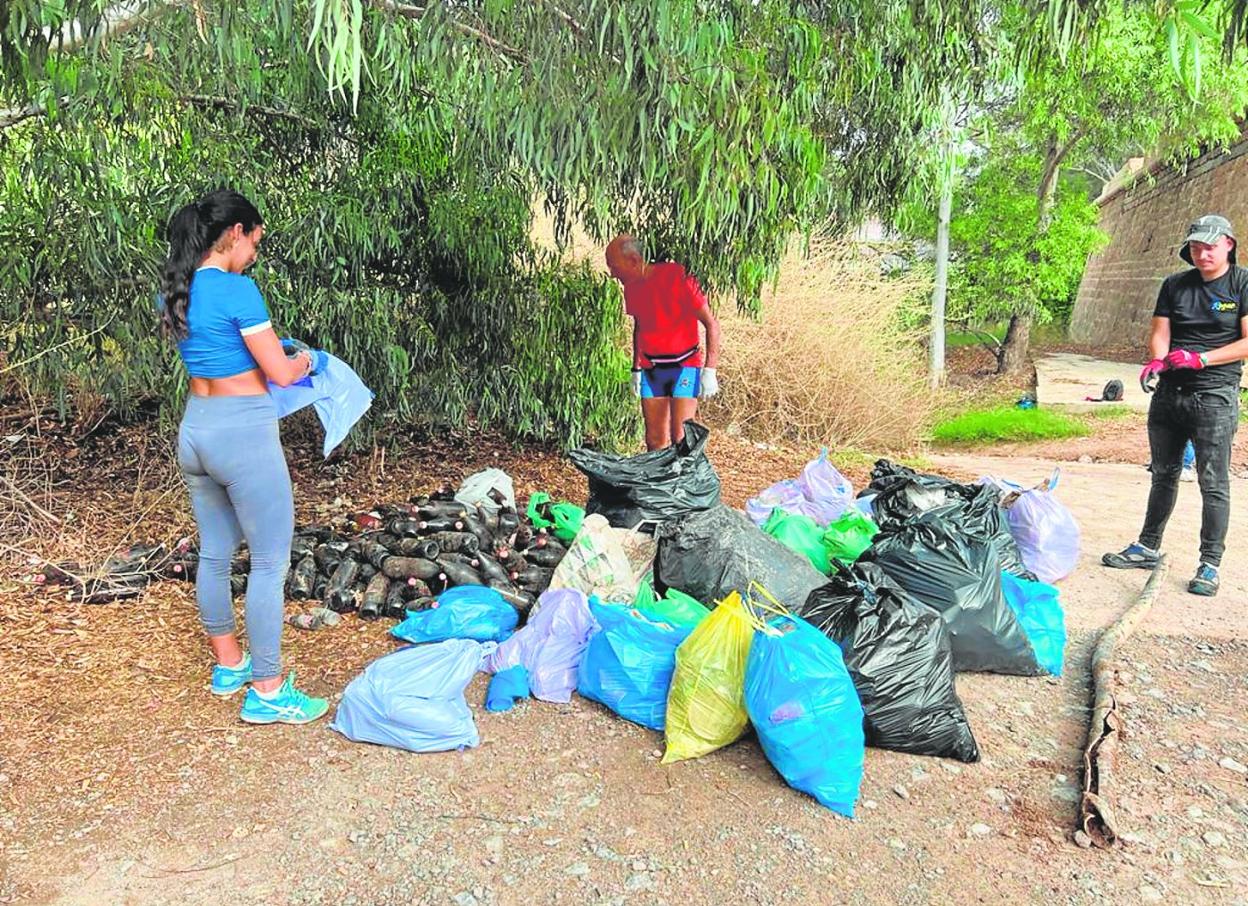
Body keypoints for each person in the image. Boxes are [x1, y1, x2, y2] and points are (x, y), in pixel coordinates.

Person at [158, 189, 330, 723]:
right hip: (243, 437)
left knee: (214, 551)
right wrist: (305, 360)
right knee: (270, 560)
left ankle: (229, 664)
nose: (255, 252)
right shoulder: (239, 291)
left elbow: (222, 356)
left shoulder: (177, 291)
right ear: (235, 234)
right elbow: (278, 373)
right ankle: (269, 690)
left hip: (196, 432)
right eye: (254, 241)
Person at [1103, 214, 1248, 596]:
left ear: (1228, 244)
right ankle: (1148, 546)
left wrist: (1202, 359)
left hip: (1214, 395)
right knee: (1163, 473)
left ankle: (1210, 564)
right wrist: (1157, 359)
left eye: (1210, 247)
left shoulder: (1243, 284)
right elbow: (1160, 331)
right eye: (1196, 248)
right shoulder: (1174, 285)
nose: (1202, 254)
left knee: (1212, 480)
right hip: (1170, 394)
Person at [605, 235, 722, 451]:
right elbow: (639, 326)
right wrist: (636, 369)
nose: (612, 274)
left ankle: (682, 483)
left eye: (613, 266)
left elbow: (711, 323)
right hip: (652, 368)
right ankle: (658, 484)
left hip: (684, 366)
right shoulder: (631, 287)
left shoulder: (679, 277)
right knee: (654, 441)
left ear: (633, 260)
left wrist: (710, 370)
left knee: (681, 437)